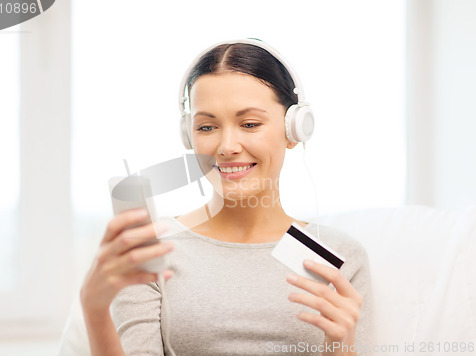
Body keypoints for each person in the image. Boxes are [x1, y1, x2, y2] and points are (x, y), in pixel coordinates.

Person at [79, 39, 372, 356]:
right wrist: (94, 313)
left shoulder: (335, 257)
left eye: (249, 124)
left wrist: (341, 350)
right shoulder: (155, 249)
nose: (227, 146)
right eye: (206, 127)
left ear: (293, 129)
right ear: (188, 135)